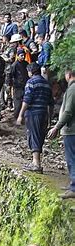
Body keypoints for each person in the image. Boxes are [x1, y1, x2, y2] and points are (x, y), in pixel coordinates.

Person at [16, 63, 53, 173]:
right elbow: (51, 103)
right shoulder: (46, 84)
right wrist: (50, 118)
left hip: (33, 113)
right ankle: (35, 162)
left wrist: (20, 115)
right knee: (40, 136)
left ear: (31, 71)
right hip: (44, 113)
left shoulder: (31, 82)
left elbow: (27, 100)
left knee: (34, 136)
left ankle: (36, 164)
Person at [47, 69, 75, 199]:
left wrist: (57, 127)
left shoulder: (72, 89)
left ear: (68, 75)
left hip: (71, 130)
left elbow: (68, 111)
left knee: (72, 159)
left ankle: (74, 188)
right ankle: (72, 184)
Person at [9, 49, 30, 119]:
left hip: (25, 86)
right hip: (17, 87)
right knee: (17, 104)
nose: (23, 57)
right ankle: (16, 118)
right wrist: (9, 86)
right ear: (17, 56)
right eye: (21, 55)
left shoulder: (26, 64)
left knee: (26, 102)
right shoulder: (14, 65)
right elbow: (10, 76)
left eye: (24, 55)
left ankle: (24, 117)